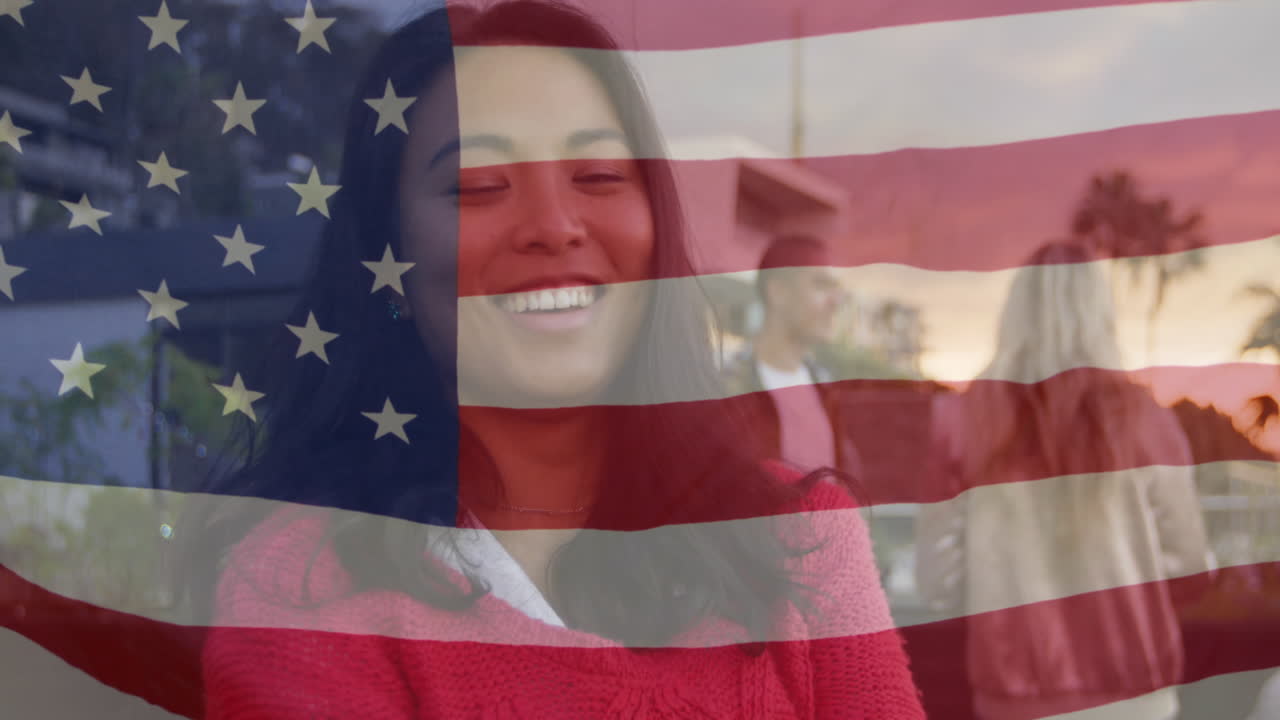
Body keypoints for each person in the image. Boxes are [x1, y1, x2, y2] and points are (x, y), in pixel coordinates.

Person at [185, 2, 925, 718]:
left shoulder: (798, 542)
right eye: (478, 185)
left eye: (599, 175)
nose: (555, 226)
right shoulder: (302, 590)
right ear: (391, 266)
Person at [915, 241, 1212, 720]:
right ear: (1098, 313)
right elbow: (1189, 564)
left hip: (1014, 694)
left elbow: (936, 580)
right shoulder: (1146, 421)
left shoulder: (962, 421)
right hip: (1136, 694)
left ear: (1016, 313)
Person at [722, 235, 864, 476]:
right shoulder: (724, 387)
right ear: (778, 292)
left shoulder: (828, 389)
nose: (836, 301)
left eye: (836, 289)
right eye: (821, 285)